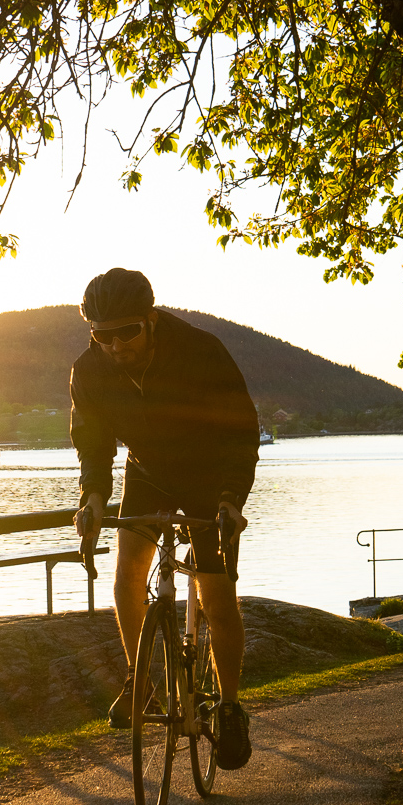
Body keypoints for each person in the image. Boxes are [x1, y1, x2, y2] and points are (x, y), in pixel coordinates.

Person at [70, 268, 258, 769]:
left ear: (150, 320)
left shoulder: (201, 351)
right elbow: (93, 445)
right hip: (147, 472)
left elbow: (241, 432)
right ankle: (141, 681)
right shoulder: (89, 371)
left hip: (209, 474)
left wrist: (230, 500)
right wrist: (92, 499)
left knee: (217, 593)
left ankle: (230, 706)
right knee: (128, 572)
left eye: (126, 332)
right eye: (103, 336)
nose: (115, 345)